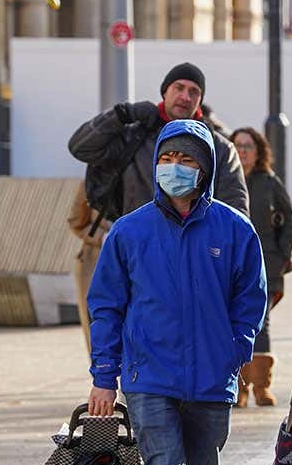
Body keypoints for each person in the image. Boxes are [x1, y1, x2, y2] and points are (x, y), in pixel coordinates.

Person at [85, 120, 267, 465]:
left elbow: (251, 298)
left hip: (213, 378)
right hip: (150, 377)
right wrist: (105, 376)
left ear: (205, 168)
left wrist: (238, 348)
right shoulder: (129, 231)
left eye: (187, 160)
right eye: (167, 159)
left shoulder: (234, 229)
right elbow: (105, 306)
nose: (175, 168)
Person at [68, 63, 249, 353]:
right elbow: (80, 147)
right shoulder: (132, 136)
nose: (185, 96)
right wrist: (120, 115)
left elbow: (236, 213)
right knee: (116, 340)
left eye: (194, 91)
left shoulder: (218, 147)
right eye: (179, 87)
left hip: (189, 262)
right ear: (164, 91)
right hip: (126, 254)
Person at [230, 127, 292, 407]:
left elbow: (290, 221)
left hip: (266, 266)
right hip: (231, 266)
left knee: (261, 324)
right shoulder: (224, 181)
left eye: (248, 146)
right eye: (238, 146)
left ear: (258, 152)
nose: (243, 151)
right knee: (234, 324)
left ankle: (261, 386)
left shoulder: (269, 182)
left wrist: (281, 256)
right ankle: (240, 388)